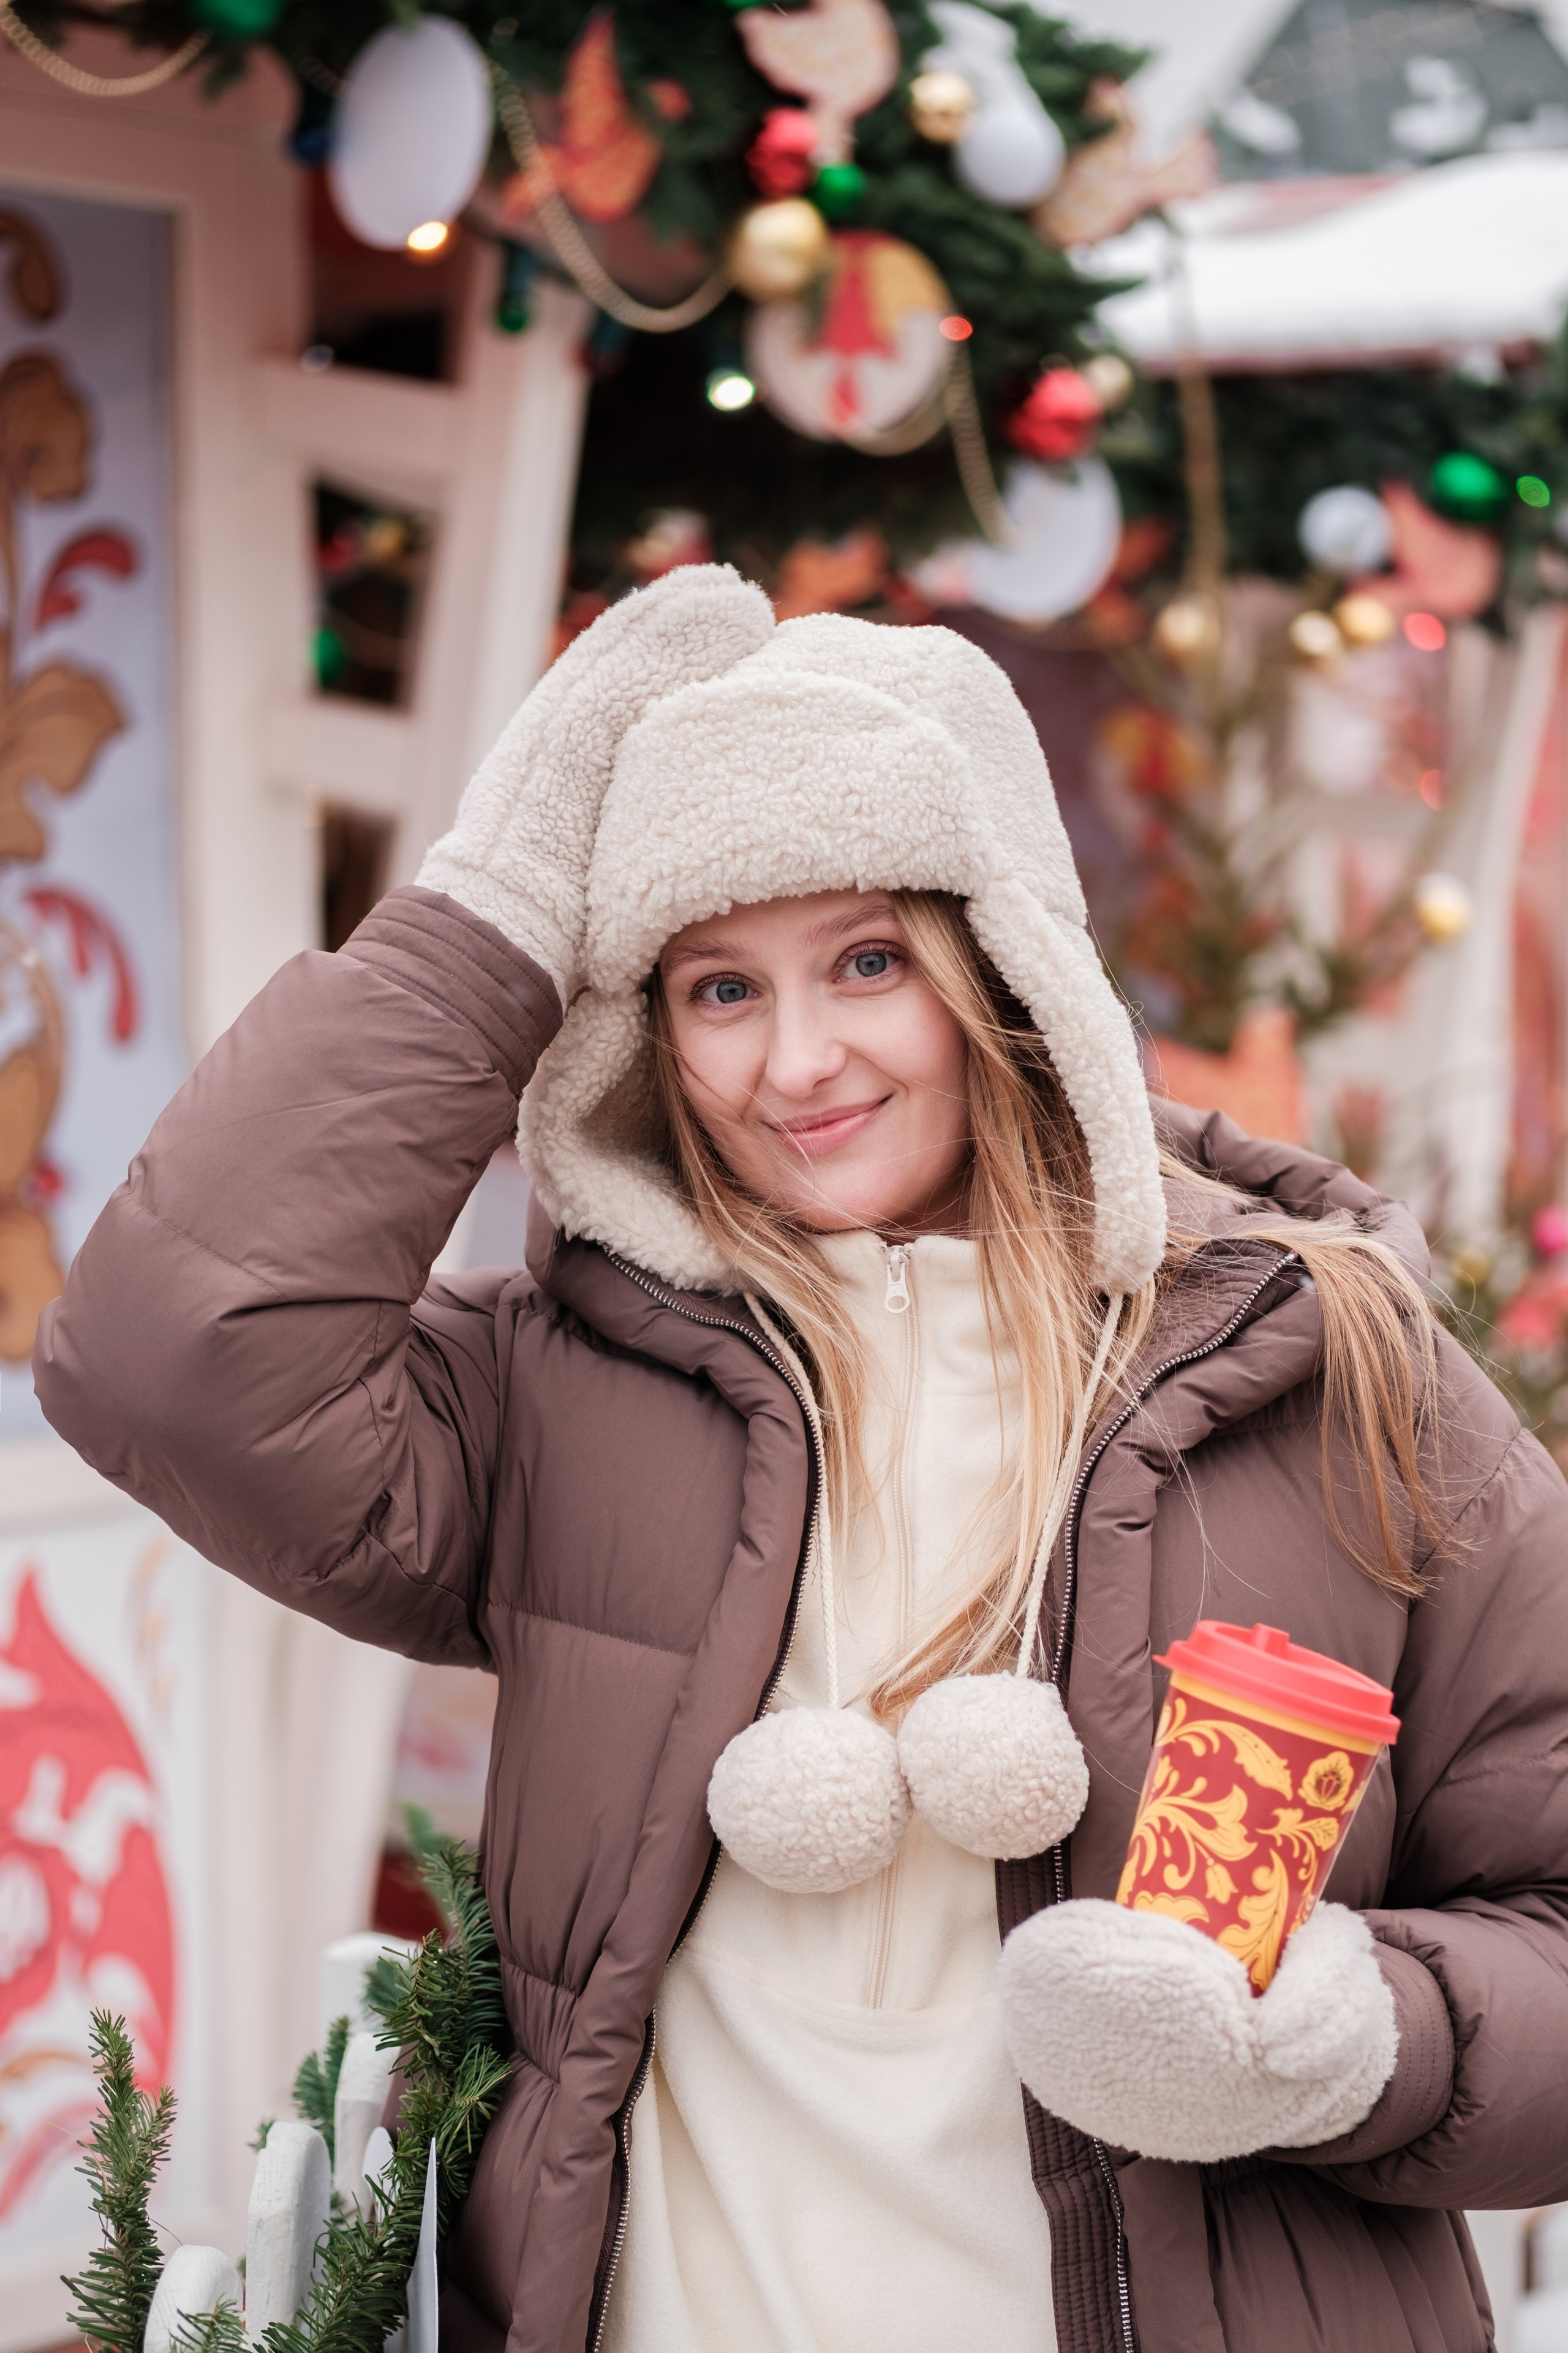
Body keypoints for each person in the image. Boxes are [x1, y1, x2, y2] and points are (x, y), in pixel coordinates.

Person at [35, 566, 1568, 2353]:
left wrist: (1352, 2039)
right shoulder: (559, 1390)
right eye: (717, 988)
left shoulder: (1331, 1368)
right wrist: (491, 914)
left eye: (868, 961)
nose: (799, 1061)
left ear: (1005, 969)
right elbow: (167, 1358)